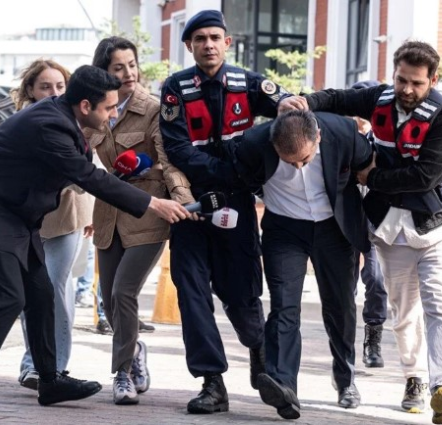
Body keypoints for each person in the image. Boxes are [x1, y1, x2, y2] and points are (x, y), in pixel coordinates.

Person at [0, 65, 190, 425]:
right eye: (109, 108)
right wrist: (153, 203)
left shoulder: (66, 119)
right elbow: (88, 177)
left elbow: (85, 173)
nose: (114, 114)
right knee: (8, 300)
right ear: (85, 105)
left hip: (15, 216)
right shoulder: (50, 125)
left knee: (42, 294)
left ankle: (50, 381)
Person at [281, 40, 442, 425]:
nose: (407, 89)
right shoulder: (380, 98)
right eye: (401, 80)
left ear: (433, 80)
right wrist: (304, 102)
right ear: (394, 73)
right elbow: (339, 98)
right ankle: (415, 378)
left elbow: (425, 176)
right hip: (392, 228)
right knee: (403, 312)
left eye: (417, 83)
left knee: (439, 302)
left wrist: (372, 177)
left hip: (439, 227)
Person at [159, 9, 290, 414]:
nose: (209, 45)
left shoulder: (249, 83)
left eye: (215, 38)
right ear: (189, 46)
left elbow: (288, 109)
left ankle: (261, 357)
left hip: (237, 205)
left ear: (227, 43)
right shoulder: (175, 88)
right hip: (192, 206)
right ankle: (212, 382)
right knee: (192, 291)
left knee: (242, 291)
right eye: (200, 39)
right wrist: (229, 172)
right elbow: (177, 148)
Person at [234, 110, 373, 419]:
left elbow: (369, 165)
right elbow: (241, 179)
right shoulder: (254, 144)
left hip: (334, 228)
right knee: (284, 306)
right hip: (284, 230)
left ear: (318, 137)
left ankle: (345, 379)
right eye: (290, 162)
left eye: (305, 159)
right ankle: (284, 387)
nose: (298, 167)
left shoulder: (343, 133)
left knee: (341, 306)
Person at [88, 36, 192, 406]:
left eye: (131, 65)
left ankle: (122, 374)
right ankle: (134, 351)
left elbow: (168, 161)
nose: (129, 73)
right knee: (108, 301)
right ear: (104, 72)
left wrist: (182, 200)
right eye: (119, 68)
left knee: (123, 292)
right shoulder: (95, 110)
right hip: (108, 215)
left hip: (148, 213)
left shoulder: (153, 109)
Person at [9, 59, 95, 391]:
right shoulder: (20, 123)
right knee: (29, 290)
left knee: (55, 287)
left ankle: (56, 366)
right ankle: (33, 364)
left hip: (66, 217)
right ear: (31, 89)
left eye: (60, 86)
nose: (54, 92)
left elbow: (91, 173)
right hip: (27, 220)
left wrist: (92, 215)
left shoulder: (77, 119)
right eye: (45, 86)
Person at [350, 80, 389, 370]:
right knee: (344, 283)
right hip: (346, 217)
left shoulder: (384, 137)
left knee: (376, 278)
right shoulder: (341, 134)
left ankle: (373, 338)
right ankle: (343, 342)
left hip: (377, 218)